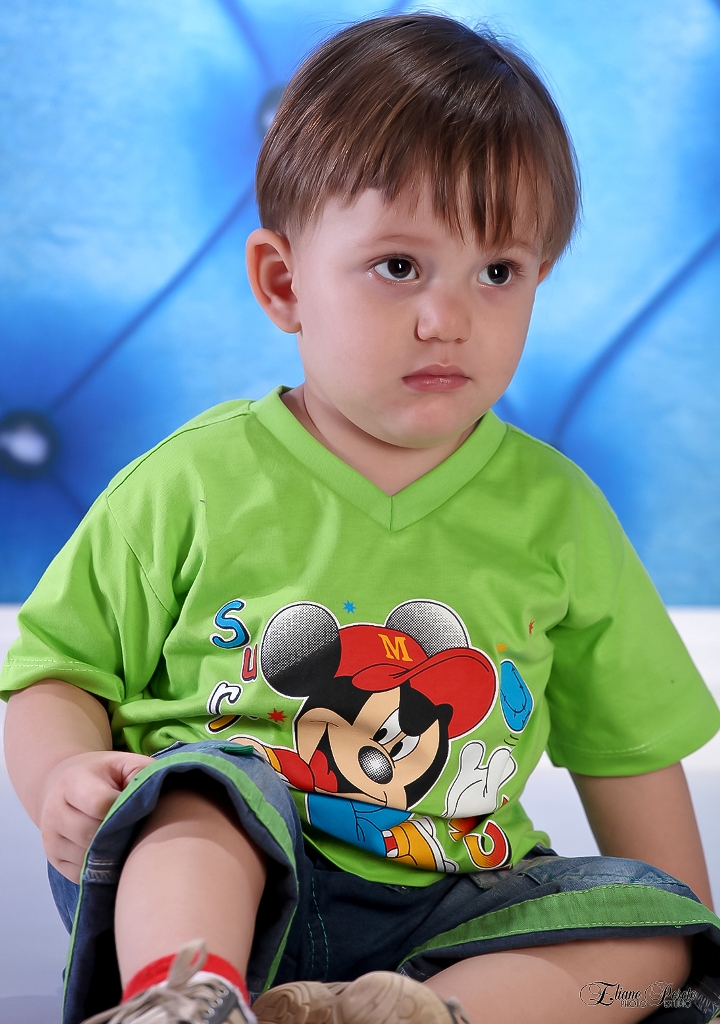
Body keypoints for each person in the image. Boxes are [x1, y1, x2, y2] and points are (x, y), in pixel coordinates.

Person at [2, 13, 720, 1024]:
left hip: (454, 909)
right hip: (231, 892)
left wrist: (677, 936)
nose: (447, 318)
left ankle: (414, 1016)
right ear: (284, 282)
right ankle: (184, 998)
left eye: (498, 272)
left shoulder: (556, 512)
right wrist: (62, 777)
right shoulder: (191, 481)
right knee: (201, 790)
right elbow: (55, 669)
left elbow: (632, 762)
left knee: (654, 929)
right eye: (398, 267)